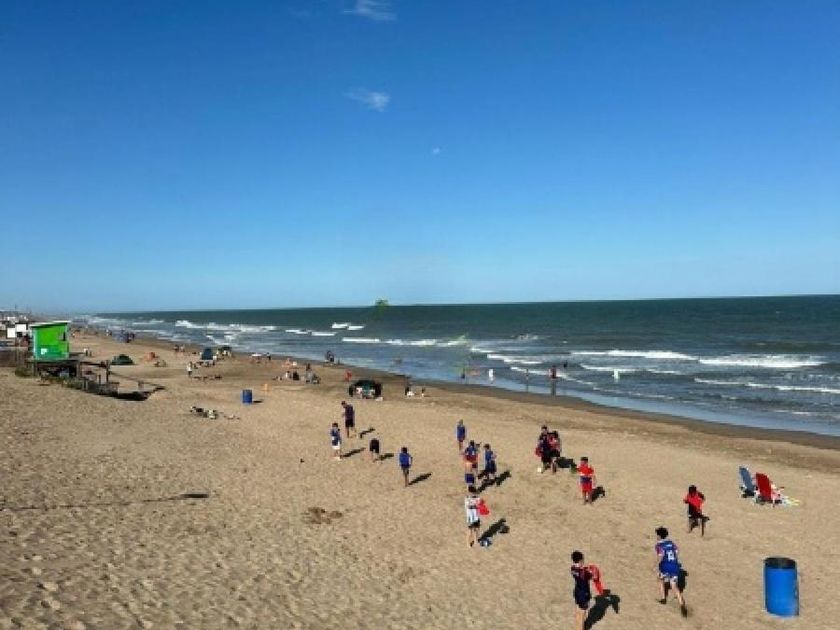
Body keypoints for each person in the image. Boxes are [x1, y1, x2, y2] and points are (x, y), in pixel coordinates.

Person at [655, 527, 688, 617]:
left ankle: (663, 598)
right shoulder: (671, 543)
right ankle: (681, 604)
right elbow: (677, 551)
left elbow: (661, 556)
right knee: (674, 586)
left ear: (659, 536)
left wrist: (655, 565)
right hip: (674, 566)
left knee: (660, 579)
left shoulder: (659, 545)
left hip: (665, 567)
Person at [570, 551, 593, 630]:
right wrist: (590, 571)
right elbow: (592, 576)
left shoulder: (573, 568)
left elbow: (580, 571)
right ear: (580, 560)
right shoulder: (584, 573)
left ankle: (576, 627)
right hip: (584, 594)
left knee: (578, 612)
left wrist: (584, 569)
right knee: (582, 615)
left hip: (577, 592)